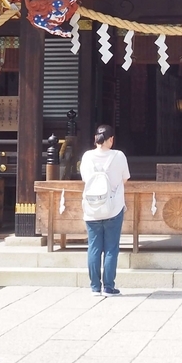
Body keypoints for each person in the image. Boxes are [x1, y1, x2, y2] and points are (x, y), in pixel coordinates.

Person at [80, 124, 130, 296]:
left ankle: (95, 286)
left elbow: (85, 179)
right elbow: (125, 179)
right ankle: (108, 286)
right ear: (111, 140)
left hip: (92, 209)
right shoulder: (119, 156)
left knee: (93, 247)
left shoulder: (87, 157)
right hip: (113, 208)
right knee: (111, 248)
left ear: (96, 139)